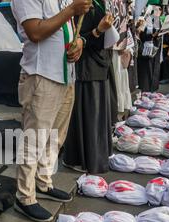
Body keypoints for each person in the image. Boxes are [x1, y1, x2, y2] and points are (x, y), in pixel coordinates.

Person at [11, 0, 91, 222]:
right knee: (35, 139)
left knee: (56, 137)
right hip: (41, 75)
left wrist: (80, 42)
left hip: (65, 74)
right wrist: (71, 10)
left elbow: (68, 28)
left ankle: (43, 182)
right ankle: (24, 196)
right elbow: (35, 31)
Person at [63, 3, 114, 174]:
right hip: (87, 65)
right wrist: (98, 31)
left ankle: (93, 156)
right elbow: (78, 37)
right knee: (88, 111)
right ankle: (80, 157)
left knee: (95, 113)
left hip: (98, 63)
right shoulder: (80, 5)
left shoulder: (98, 3)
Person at [137, 11, 162, 92]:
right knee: (146, 70)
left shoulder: (159, 22)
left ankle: (153, 87)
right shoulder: (144, 20)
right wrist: (152, 35)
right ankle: (145, 87)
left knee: (154, 68)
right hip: (145, 49)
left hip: (154, 49)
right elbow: (141, 36)